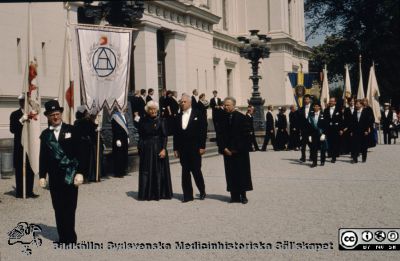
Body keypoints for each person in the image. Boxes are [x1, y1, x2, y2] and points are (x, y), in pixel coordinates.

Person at [38, 99, 84, 243]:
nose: (55, 117)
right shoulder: (45, 135)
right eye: (52, 115)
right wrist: (42, 175)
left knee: (70, 207)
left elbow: (81, 152)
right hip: (55, 177)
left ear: (61, 114)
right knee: (58, 207)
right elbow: (43, 156)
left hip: (70, 175)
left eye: (57, 113)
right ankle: (62, 237)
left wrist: (80, 172)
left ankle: (71, 238)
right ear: (47, 116)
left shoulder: (72, 130)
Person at [218, 97, 253, 204]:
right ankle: (234, 195)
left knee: (241, 173)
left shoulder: (242, 118)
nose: (226, 107)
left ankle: (243, 195)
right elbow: (220, 135)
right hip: (227, 151)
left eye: (228, 105)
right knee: (230, 173)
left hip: (239, 151)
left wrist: (236, 149)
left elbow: (246, 136)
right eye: (225, 105)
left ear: (233, 105)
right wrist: (224, 148)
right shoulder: (222, 118)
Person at [135, 101, 172, 200]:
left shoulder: (162, 120)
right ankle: (147, 193)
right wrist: (140, 148)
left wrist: (164, 149)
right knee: (146, 170)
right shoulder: (143, 121)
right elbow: (141, 136)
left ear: (157, 109)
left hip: (158, 148)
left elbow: (164, 136)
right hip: (146, 149)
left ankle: (160, 193)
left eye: (154, 109)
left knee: (159, 171)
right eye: (151, 109)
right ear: (148, 110)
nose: (153, 111)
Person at [173, 93, 207, 202]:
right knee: (185, 172)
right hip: (183, 149)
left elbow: (203, 131)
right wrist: (175, 148)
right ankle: (187, 195)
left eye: (184, 102)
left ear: (190, 102)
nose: (182, 104)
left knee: (196, 171)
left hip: (195, 148)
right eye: (181, 102)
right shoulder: (178, 116)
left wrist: (202, 146)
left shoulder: (198, 114)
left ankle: (202, 190)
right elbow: (176, 134)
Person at [9, 94, 38, 198]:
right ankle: (20, 192)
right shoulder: (15, 114)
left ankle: (29, 191)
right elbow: (12, 129)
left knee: (30, 168)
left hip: (30, 144)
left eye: (24, 101)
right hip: (20, 145)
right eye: (21, 101)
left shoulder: (31, 114)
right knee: (20, 169)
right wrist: (21, 120)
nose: (22, 102)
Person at [73, 106, 97, 182]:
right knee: (85, 161)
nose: (87, 113)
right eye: (86, 112)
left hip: (78, 143)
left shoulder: (76, 122)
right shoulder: (85, 121)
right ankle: (85, 176)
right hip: (85, 143)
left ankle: (80, 175)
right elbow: (91, 130)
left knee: (80, 161)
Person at [323, 97, 343, 163]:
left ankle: (334, 157)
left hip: (336, 129)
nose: (331, 102)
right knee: (329, 142)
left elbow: (341, 120)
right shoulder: (326, 110)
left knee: (335, 143)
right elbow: (325, 120)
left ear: (335, 102)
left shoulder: (339, 110)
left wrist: (341, 129)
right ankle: (330, 154)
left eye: (332, 101)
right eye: (330, 101)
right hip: (329, 129)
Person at [308, 102, 328, 167]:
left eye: (317, 106)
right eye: (315, 106)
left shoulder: (323, 114)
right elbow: (309, 126)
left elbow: (325, 125)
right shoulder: (311, 115)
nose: (316, 107)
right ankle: (314, 162)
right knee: (314, 148)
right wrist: (310, 135)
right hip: (314, 134)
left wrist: (324, 134)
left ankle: (322, 161)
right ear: (313, 107)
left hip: (321, 133)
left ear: (319, 107)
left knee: (322, 148)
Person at [111, 109, 129, 178]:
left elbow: (126, 127)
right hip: (118, 138)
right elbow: (114, 128)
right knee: (118, 156)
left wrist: (128, 137)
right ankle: (118, 172)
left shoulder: (124, 116)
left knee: (124, 155)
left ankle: (123, 170)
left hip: (124, 138)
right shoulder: (115, 116)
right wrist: (117, 139)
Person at [298, 94, 313, 162]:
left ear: (310, 100)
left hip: (311, 129)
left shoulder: (313, 108)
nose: (306, 100)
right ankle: (303, 157)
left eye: (307, 99)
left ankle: (311, 156)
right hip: (304, 129)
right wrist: (300, 129)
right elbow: (300, 120)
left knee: (311, 144)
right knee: (303, 145)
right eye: (305, 99)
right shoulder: (301, 109)